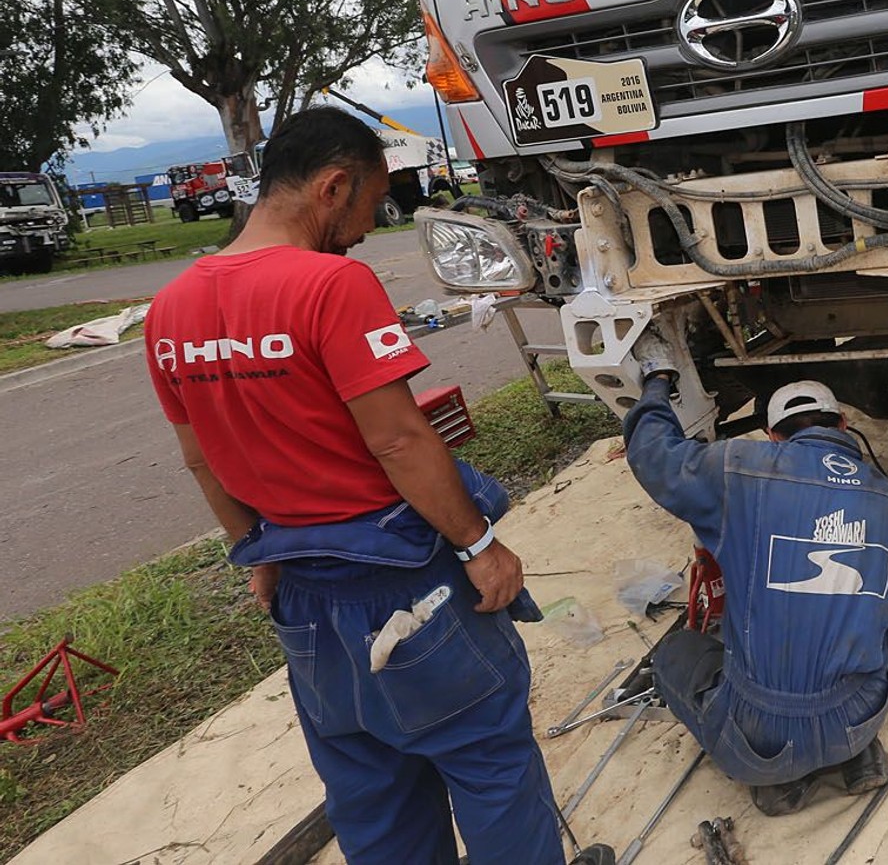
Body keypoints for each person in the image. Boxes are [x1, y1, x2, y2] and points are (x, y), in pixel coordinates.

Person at [143, 108, 603, 865]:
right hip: (406, 589)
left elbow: (202, 460)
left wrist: (255, 549)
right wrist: (480, 544)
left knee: (371, 793)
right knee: (489, 767)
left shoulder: (170, 310)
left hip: (304, 603)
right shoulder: (331, 284)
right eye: (369, 204)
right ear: (332, 185)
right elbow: (397, 438)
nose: (366, 227)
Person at [623, 371, 888, 816]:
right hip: (860, 719)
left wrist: (654, 386)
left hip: (757, 741)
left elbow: (653, 454)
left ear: (772, 436)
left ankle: (781, 781)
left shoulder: (738, 468)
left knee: (675, 653)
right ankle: (852, 754)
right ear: (842, 424)